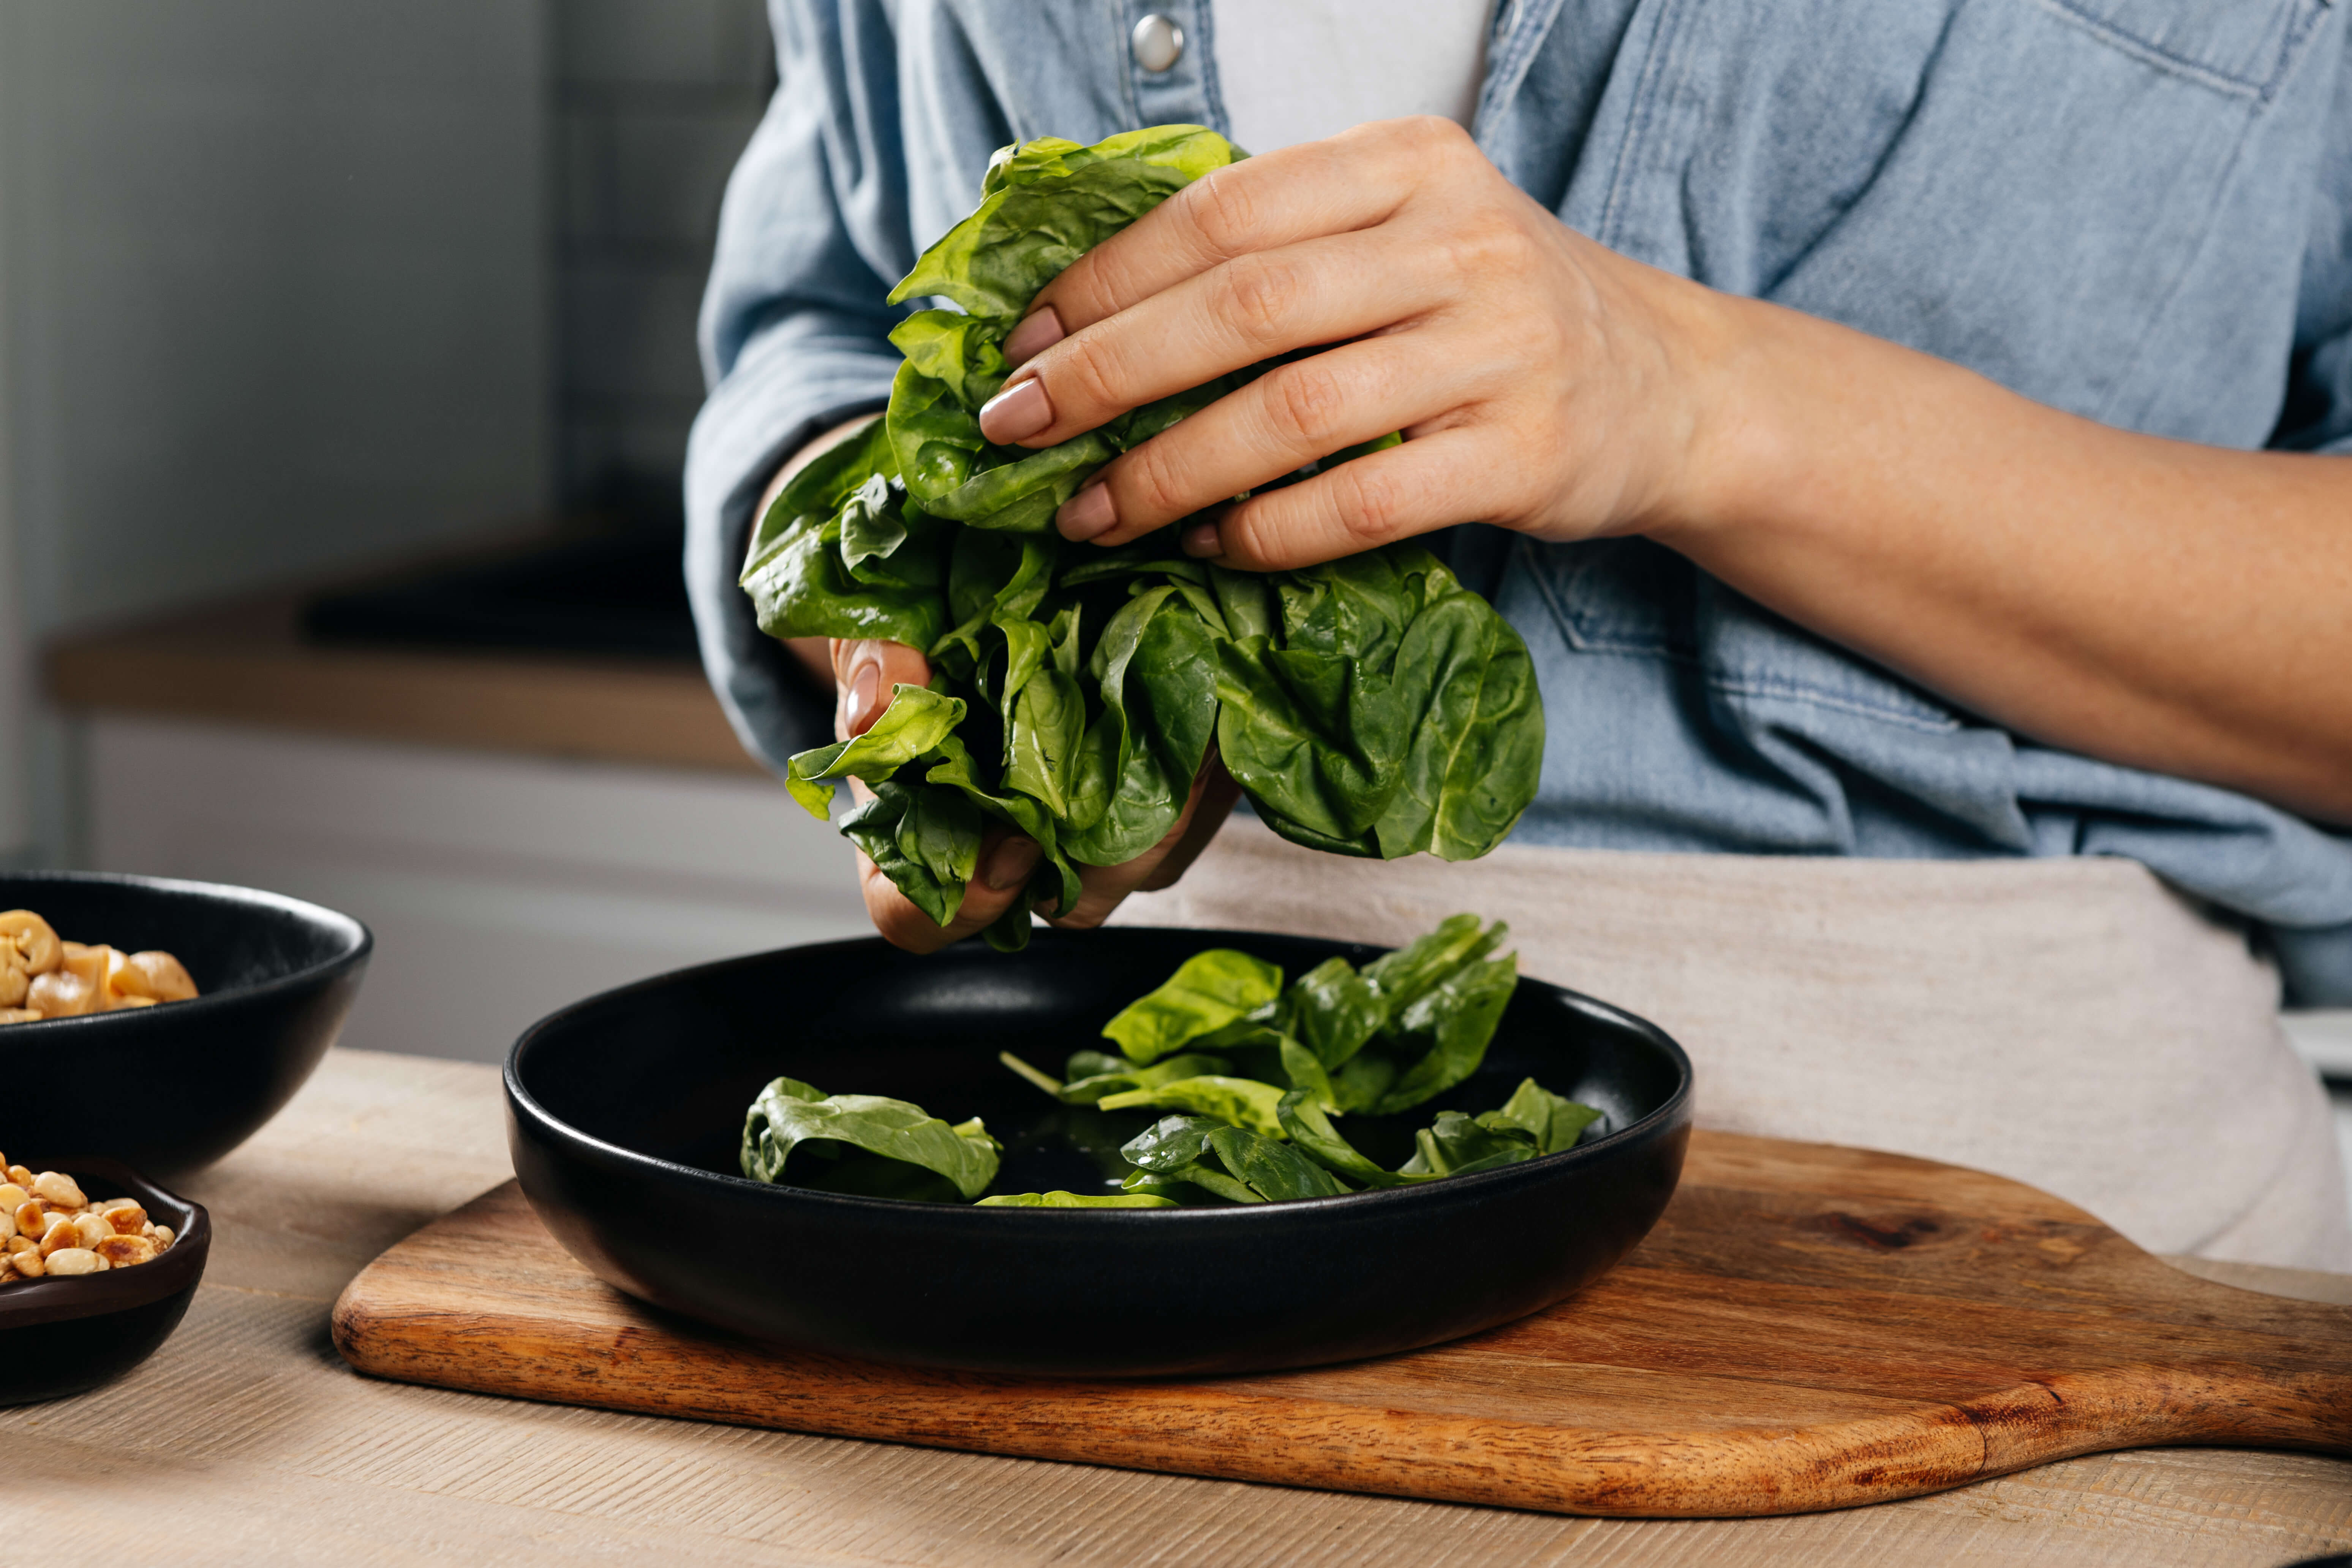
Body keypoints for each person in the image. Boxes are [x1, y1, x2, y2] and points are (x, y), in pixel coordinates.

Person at [686, 2, 2352, 1268]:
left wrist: (1695, 397)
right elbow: (833, 310)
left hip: (2028, 1249)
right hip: (1130, 1183)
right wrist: (900, 602)